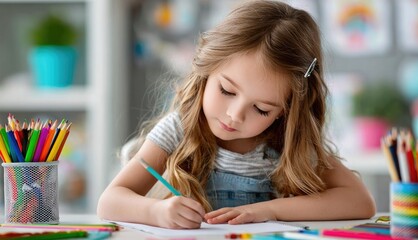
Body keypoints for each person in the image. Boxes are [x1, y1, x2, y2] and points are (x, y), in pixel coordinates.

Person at [97, 0, 376, 229]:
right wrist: (157, 212)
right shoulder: (179, 129)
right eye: (227, 91)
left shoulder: (288, 140)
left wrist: (269, 210)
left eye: (262, 109)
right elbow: (110, 201)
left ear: (286, 111)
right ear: (207, 70)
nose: (234, 115)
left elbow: (360, 202)